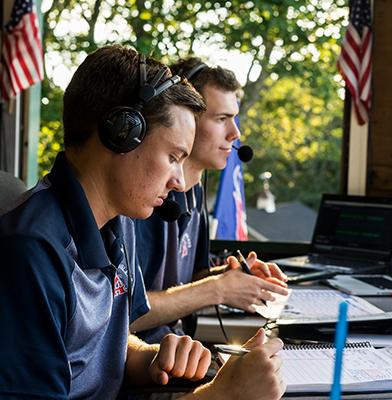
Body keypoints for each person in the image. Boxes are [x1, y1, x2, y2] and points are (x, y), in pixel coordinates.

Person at [0, 45, 285, 400]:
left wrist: (152, 358)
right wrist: (222, 395)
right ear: (121, 134)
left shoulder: (116, 227)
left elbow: (108, 346)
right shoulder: (32, 251)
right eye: (173, 157)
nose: (180, 182)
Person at [132, 58, 289, 344]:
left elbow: (184, 282)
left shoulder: (195, 194)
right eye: (221, 119)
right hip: (143, 361)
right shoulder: (141, 198)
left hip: (180, 349)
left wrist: (234, 276)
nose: (235, 134)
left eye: (234, 118)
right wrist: (217, 289)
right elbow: (125, 312)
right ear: (186, 117)